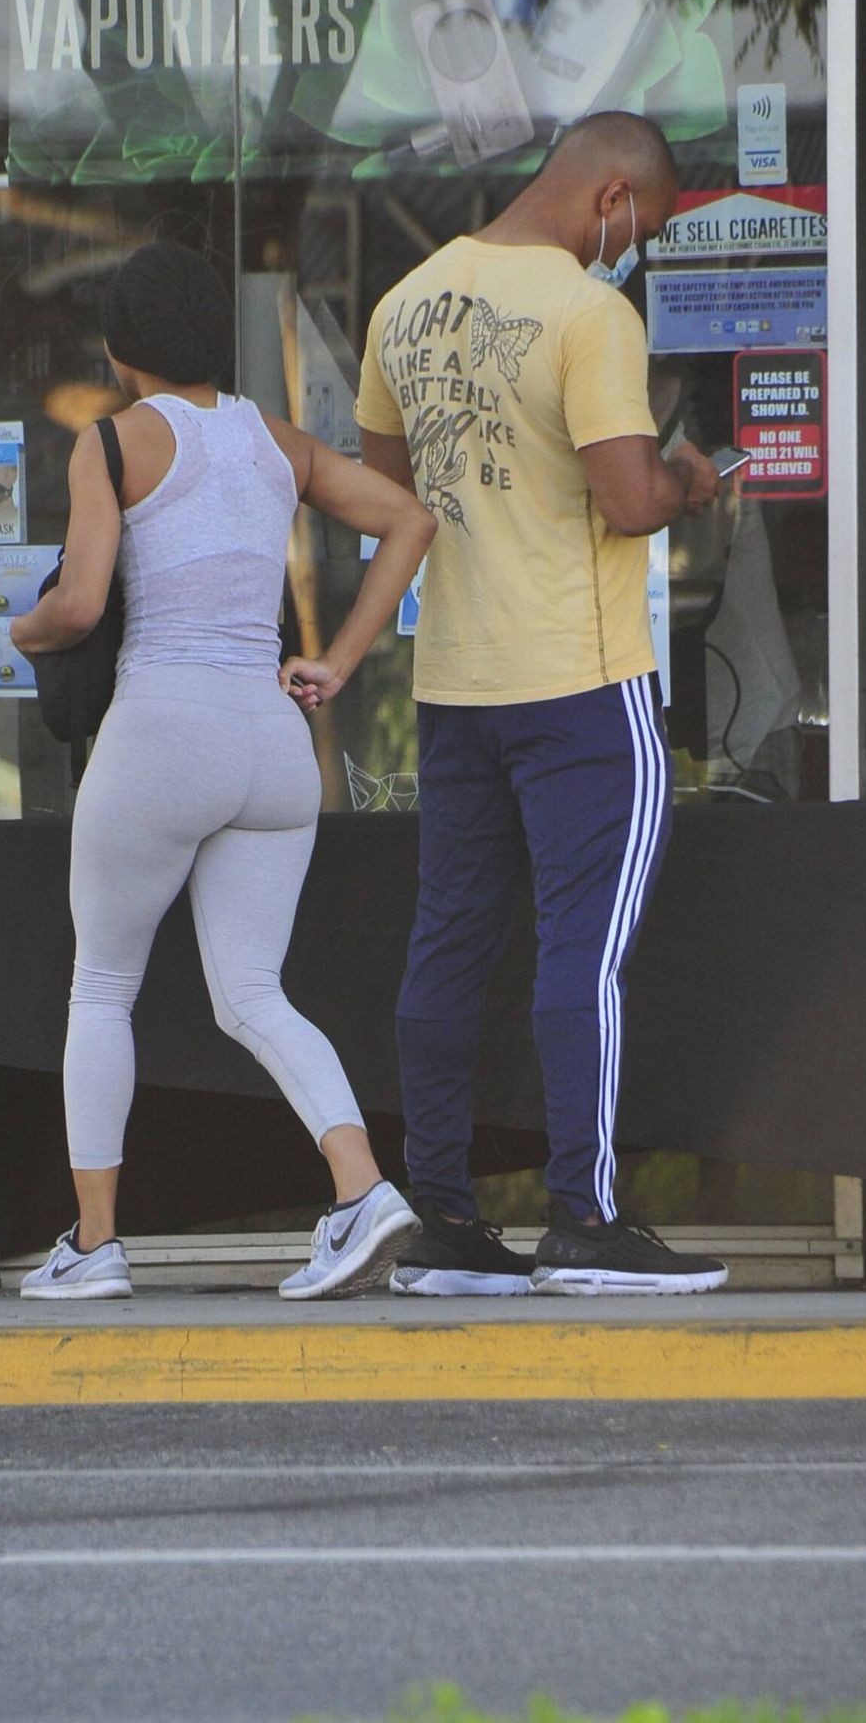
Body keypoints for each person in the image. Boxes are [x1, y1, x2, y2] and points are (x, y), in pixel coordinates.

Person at [349, 112, 730, 1296]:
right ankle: (585, 1218)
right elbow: (624, 500)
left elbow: (386, 497)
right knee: (583, 951)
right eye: (642, 225)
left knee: (448, 946)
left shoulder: (402, 304)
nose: (635, 248)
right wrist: (683, 480)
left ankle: (444, 1224)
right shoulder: (586, 312)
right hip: (579, 680)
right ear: (608, 197)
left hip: (455, 683)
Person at [12, 242, 436, 1301]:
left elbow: (78, 604)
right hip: (270, 740)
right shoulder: (273, 440)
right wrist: (336, 662)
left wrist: (19, 628)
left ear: (120, 352)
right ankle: (361, 1188)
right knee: (252, 993)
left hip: (163, 730)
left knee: (103, 987)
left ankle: (94, 1247)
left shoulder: (113, 443)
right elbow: (409, 517)